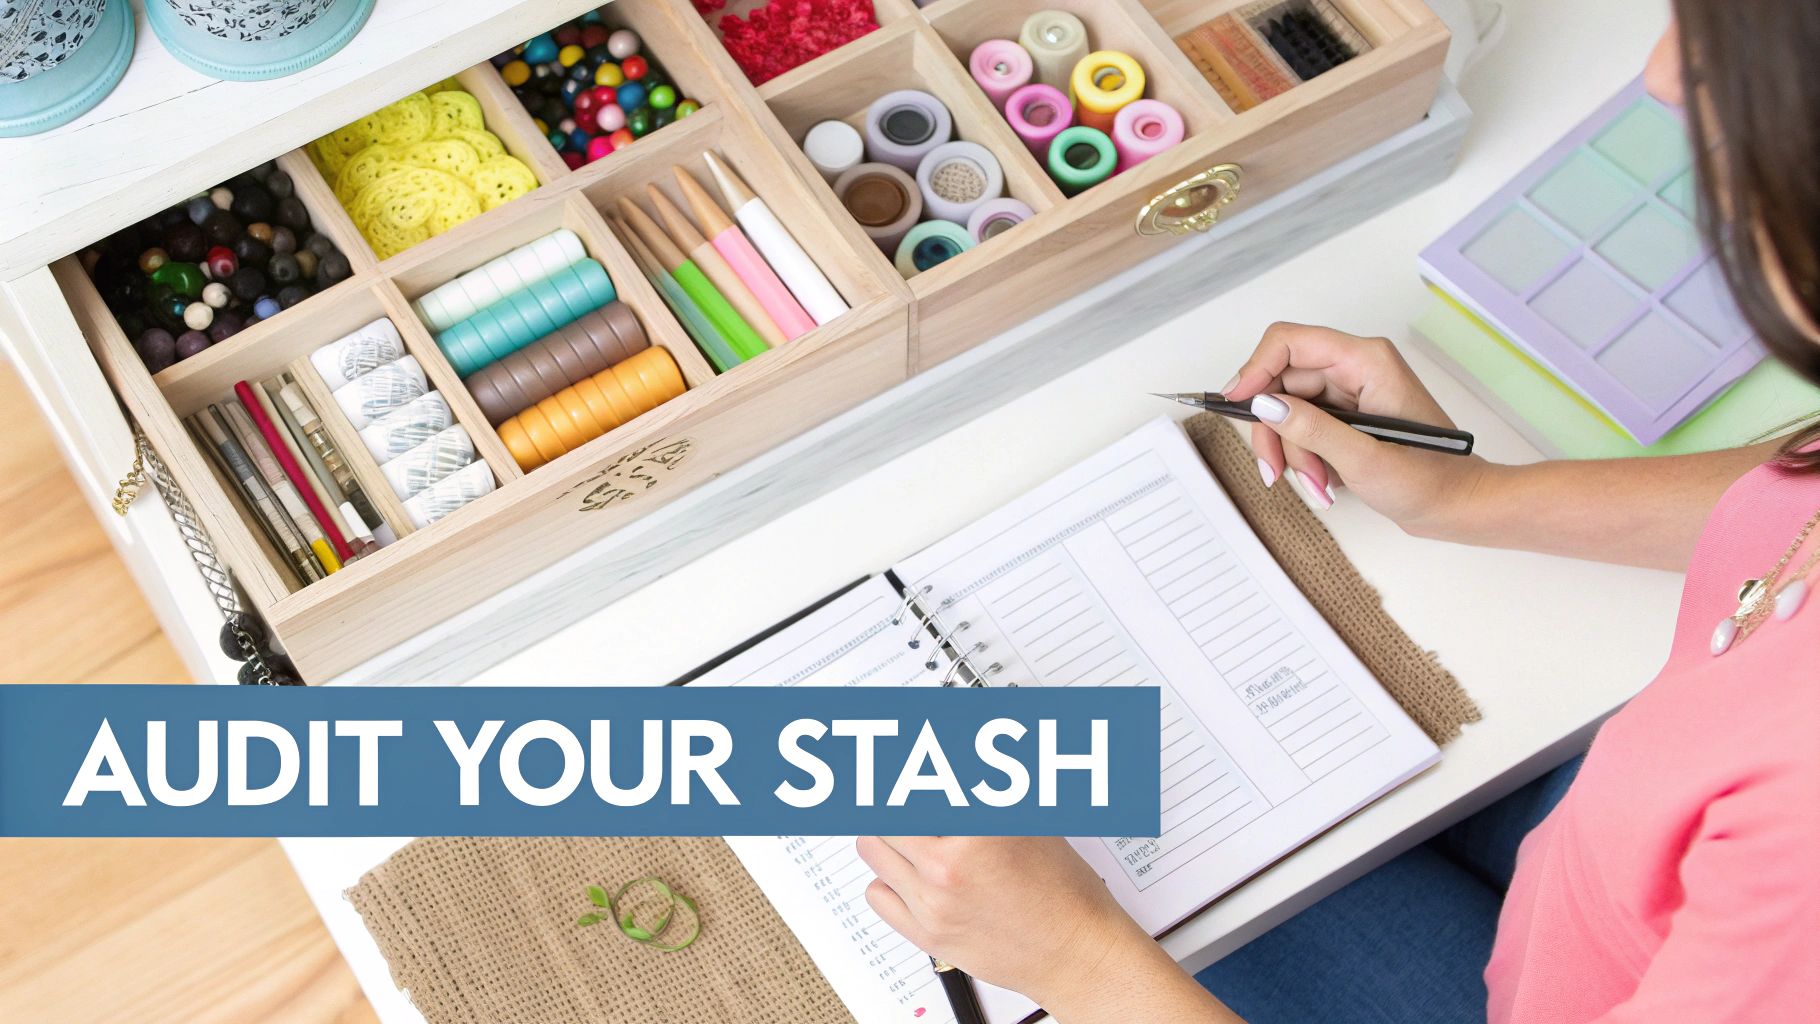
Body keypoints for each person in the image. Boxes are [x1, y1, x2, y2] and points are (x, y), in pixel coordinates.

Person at [857, 4, 1820, 1021]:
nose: (1663, 74)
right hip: (1610, 872)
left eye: (1752, 57)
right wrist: (1468, 495)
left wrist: (1072, 959)